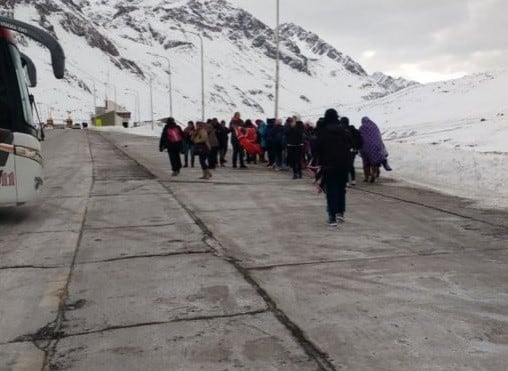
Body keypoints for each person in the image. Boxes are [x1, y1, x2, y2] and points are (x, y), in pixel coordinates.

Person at [314, 109, 353, 226]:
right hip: (344, 165)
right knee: (341, 188)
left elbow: (317, 148)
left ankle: (332, 217)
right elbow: (351, 144)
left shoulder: (323, 131)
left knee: (331, 190)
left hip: (329, 165)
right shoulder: (344, 131)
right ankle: (340, 213)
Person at [359, 116, 387, 183]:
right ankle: (374, 173)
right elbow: (379, 136)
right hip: (376, 146)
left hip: (365, 147)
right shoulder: (375, 127)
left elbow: (359, 137)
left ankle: (366, 177)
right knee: (374, 161)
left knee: (366, 162)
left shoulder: (362, 127)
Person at [339, 116, 363, 186]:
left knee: (344, 165)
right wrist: (357, 148)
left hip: (345, 150)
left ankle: (346, 181)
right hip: (353, 150)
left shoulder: (342, 130)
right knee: (351, 165)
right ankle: (353, 180)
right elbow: (360, 140)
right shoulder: (354, 129)